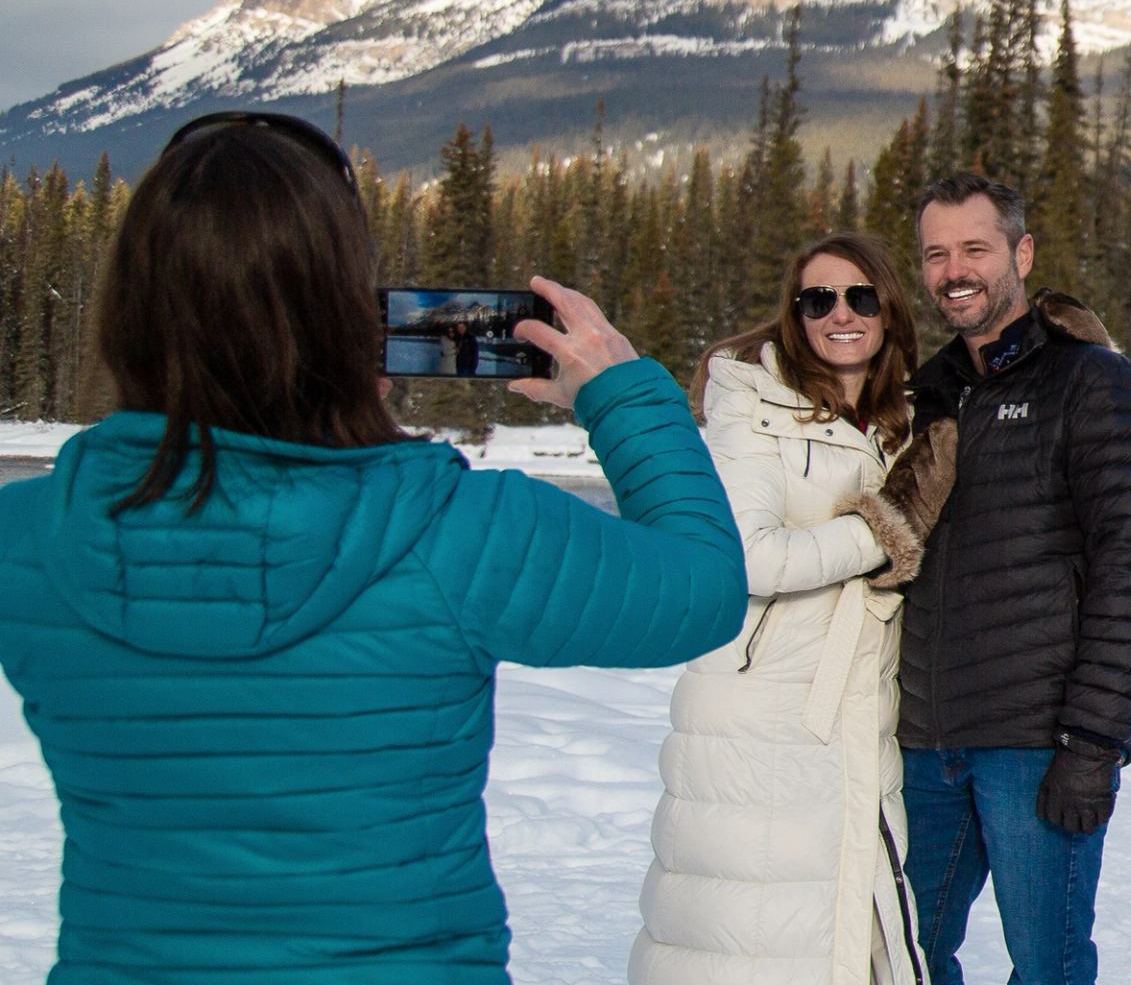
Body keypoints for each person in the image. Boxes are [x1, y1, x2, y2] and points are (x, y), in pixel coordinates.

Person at [0, 110, 748, 985]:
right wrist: (622, 393)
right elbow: (702, 588)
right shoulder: (458, 529)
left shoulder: (29, 539)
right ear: (347, 318)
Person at [631, 231, 951, 985]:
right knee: (751, 933)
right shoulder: (751, 406)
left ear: (888, 311)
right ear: (795, 316)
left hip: (859, 716)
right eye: (818, 300)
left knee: (845, 928)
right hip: (764, 714)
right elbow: (751, 558)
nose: (841, 314)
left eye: (860, 297)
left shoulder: (900, 419)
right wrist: (880, 531)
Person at [900, 173, 1131, 985]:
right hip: (923, 743)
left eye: (975, 249)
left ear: (1019, 253)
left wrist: (1092, 745)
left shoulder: (1096, 384)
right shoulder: (933, 392)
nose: (956, 270)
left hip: (1035, 747)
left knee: (1046, 969)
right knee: (900, 955)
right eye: (936, 253)